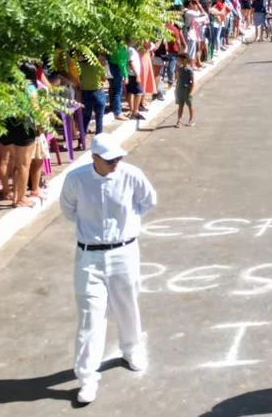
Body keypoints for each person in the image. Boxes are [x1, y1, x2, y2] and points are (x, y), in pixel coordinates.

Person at [59, 133, 158, 404]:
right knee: (90, 315)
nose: (116, 162)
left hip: (124, 252)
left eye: (118, 158)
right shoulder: (76, 180)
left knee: (127, 304)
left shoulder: (131, 175)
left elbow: (148, 201)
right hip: (89, 257)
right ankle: (87, 377)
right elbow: (68, 210)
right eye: (110, 159)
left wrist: (127, 226)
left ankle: (132, 349)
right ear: (95, 158)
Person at [174, 52, 195, 128]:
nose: (178, 60)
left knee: (189, 105)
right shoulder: (180, 69)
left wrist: (191, 91)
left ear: (185, 60)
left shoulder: (189, 70)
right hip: (179, 89)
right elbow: (177, 78)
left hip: (187, 90)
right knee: (180, 106)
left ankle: (191, 119)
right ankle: (179, 120)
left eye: (180, 59)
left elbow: (192, 82)